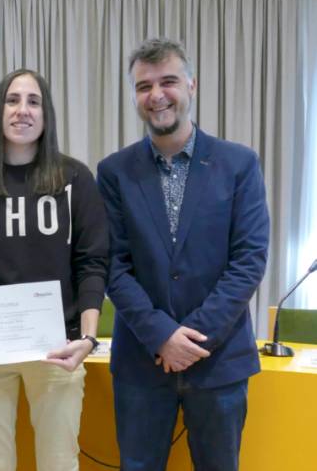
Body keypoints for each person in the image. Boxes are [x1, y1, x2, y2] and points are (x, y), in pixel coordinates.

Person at [96, 38, 269, 470]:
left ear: (192, 85)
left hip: (218, 362)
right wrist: (161, 336)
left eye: (168, 81)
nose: (156, 95)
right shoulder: (114, 172)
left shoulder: (239, 164)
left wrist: (190, 341)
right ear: (134, 95)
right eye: (144, 86)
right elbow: (113, 265)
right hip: (141, 362)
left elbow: (249, 259)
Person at [0, 69, 109, 471]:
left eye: (34, 101)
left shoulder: (73, 179)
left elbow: (91, 263)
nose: (22, 110)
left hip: (58, 346)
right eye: (12, 100)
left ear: (46, 115)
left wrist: (87, 337)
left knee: (58, 463)